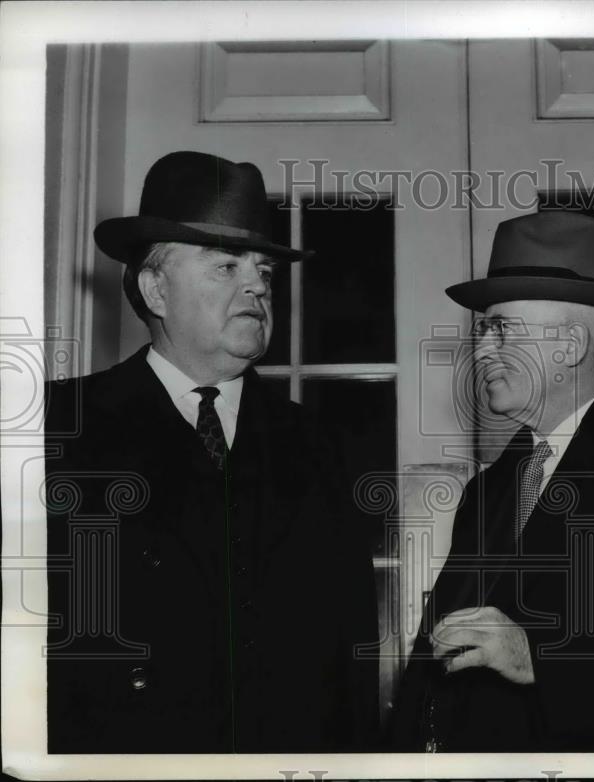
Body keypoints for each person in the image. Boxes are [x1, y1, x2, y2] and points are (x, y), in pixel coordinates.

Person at [45, 151, 379, 753]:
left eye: (265, 273)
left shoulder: (321, 446)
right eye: (226, 266)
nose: (256, 284)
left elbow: (350, 653)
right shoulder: (56, 427)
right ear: (155, 287)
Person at [389, 211, 594, 751]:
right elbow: (431, 667)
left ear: (571, 346)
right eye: (482, 328)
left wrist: (540, 662)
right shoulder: (488, 490)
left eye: (501, 328)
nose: (481, 349)